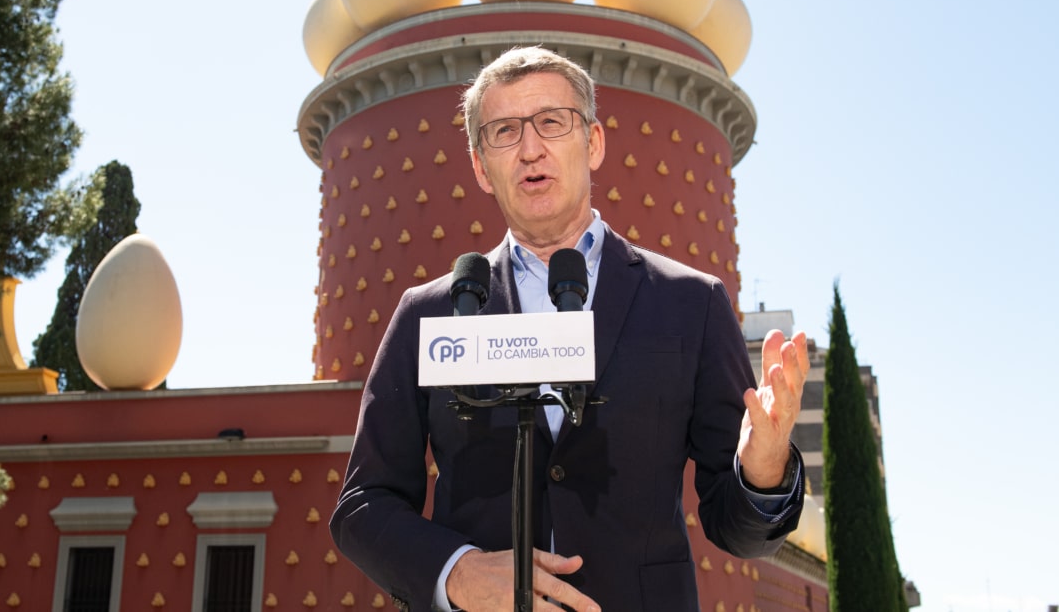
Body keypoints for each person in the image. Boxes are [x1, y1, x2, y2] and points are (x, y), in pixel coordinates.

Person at [330, 46, 809, 612]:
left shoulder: (690, 303)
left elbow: (737, 531)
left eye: (552, 123)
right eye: (504, 131)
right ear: (482, 168)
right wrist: (458, 573)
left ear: (594, 143)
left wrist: (763, 468)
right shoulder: (428, 315)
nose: (531, 148)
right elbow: (364, 505)